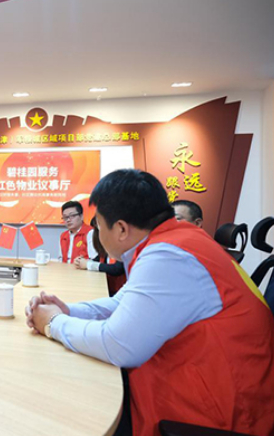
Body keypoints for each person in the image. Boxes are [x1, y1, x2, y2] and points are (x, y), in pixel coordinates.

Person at [25, 169, 274, 436]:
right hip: (201, 382)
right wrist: (69, 310)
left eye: (99, 225)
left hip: (215, 414)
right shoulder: (178, 240)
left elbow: (118, 345)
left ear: (121, 228)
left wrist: (53, 323)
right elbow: (124, 301)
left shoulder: (168, 255)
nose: (97, 233)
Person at [73, 216, 126, 295]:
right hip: (107, 290)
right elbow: (98, 260)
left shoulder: (124, 246)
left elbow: (117, 269)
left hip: (119, 293)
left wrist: (88, 265)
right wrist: (81, 262)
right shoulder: (106, 248)